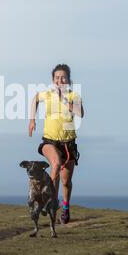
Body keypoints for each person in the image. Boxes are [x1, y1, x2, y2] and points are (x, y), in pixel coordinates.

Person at [29, 64, 84, 224]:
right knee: (56, 163)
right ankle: (49, 200)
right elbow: (35, 99)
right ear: (53, 80)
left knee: (66, 183)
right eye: (57, 77)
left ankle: (65, 209)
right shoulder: (48, 94)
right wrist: (32, 120)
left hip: (68, 145)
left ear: (68, 80)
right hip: (49, 141)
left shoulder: (74, 96)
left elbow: (81, 113)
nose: (60, 80)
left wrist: (66, 100)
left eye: (63, 77)